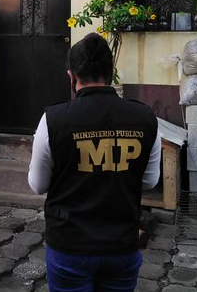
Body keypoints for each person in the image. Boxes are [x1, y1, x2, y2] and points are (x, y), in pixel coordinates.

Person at [28, 33, 161, 292]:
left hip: (70, 244)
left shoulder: (53, 120)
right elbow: (149, 181)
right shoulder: (145, 118)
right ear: (111, 74)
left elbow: (38, 185)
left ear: (72, 76)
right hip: (121, 243)